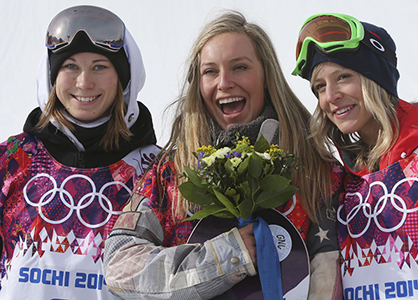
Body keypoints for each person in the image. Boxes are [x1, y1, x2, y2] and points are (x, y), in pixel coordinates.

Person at [104, 10, 344, 300]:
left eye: (239, 67)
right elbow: (119, 267)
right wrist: (224, 258)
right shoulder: (173, 170)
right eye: (210, 71)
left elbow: (329, 276)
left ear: (266, 75)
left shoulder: (314, 167)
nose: (224, 82)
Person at [0, 5, 159, 299]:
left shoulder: (156, 171)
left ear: (124, 79)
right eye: (70, 66)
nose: (84, 83)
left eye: (100, 66)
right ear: (52, 76)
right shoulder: (11, 161)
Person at [292, 12, 418, 299]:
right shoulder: (339, 181)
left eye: (343, 77)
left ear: (375, 79)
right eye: (320, 87)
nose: (330, 96)